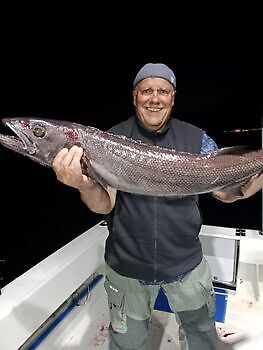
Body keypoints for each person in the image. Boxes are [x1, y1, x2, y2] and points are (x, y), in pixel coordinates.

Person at [52, 63, 263, 350]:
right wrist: (83, 184)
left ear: (172, 98)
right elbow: (104, 205)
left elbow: (225, 195)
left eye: (162, 91)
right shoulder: (111, 140)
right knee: (128, 344)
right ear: (135, 96)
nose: (155, 98)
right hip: (127, 269)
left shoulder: (196, 139)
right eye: (146, 91)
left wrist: (257, 179)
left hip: (186, 265)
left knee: (202, 338)